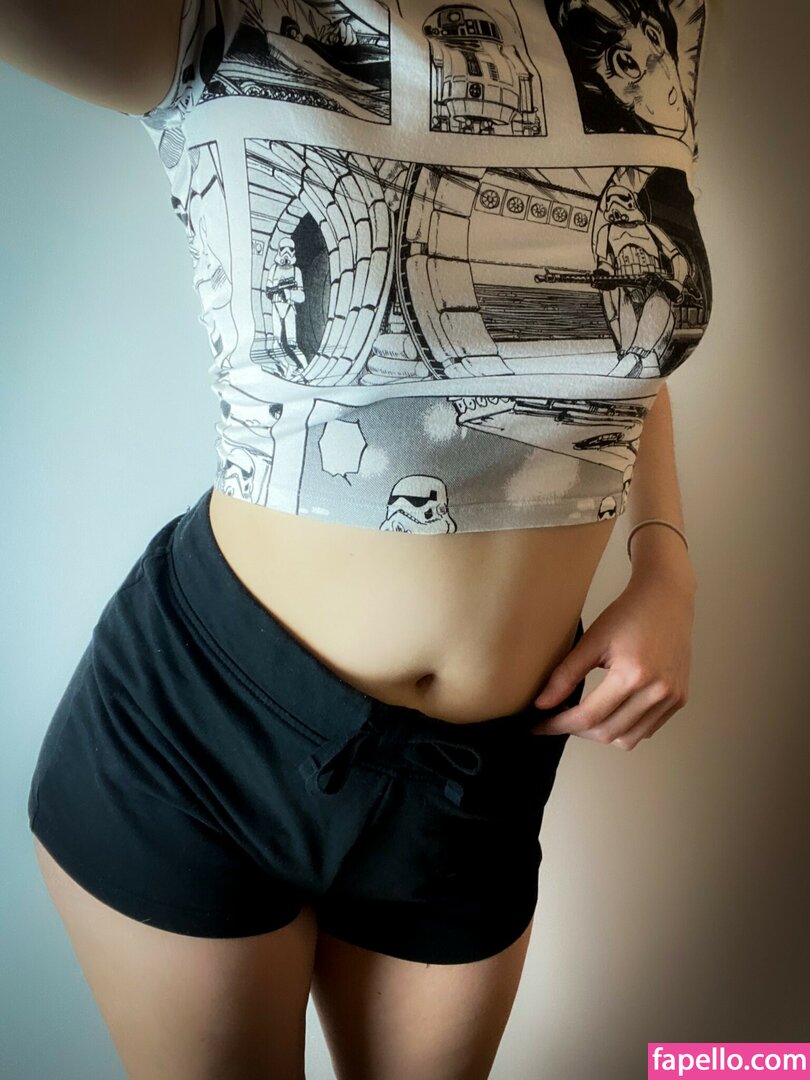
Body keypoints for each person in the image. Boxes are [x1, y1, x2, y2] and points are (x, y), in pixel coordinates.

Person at [7, 1, 709, 1077]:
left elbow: (625, 341)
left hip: (478, 780)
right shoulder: (219, 11)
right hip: (206, 736)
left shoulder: (656, 22)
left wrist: (665, 560)